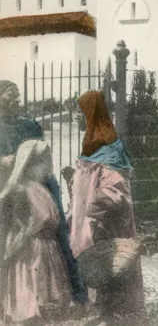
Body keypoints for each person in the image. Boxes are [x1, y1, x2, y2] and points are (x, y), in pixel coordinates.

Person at [0, 81, 87, 316]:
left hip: (36, 184)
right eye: (11, 96)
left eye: (18, 96)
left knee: (57, 232)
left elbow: (41, 154)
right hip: (6, 188)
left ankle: (76, 294)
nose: (17, 100)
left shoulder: (29, 125)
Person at [68, 90, 146, 324]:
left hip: (106, 220)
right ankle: (106, 309)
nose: (74, 117)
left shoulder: (109, 147)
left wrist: (92, 209)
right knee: (100, 263)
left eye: (78, 113)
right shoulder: (93, 143)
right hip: (93, 217)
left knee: (112, 261)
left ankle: (115, 313)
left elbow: (115, 189)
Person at [0, 140, 74, 324]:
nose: (46, 168)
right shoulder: (19, 191)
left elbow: (54, 218)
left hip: (47, 248)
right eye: (40, 163)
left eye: (47, 162)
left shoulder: (42, 190)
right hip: (29, 251)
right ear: (28, 164)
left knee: (46, 296)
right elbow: (12, 221)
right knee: (29, 291)